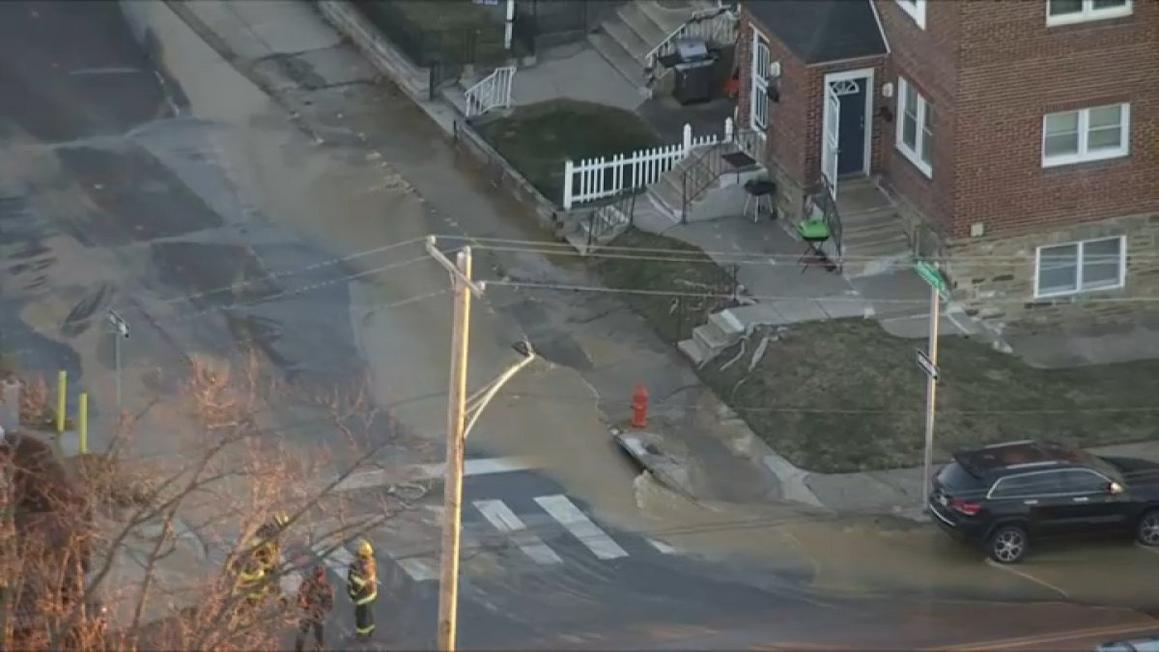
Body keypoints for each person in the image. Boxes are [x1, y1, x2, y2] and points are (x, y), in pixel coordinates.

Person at [295, 566, 334, 652]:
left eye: (320, 575)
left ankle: (318, 649)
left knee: (319, 637)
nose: (318, 577)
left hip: (318, 616)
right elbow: (299, 597)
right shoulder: (307, 584)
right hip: (307, 613)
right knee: (301, 635)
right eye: (317, 575)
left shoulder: (326, 588)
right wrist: (304, 605)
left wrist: (320, 610)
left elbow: (329, 605)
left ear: (323, 575)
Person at [346, 539, 377, 640]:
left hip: (363, 596)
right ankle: (371, 629)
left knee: (360, 616)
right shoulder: (370, 561)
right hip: (370, 593)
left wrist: (352, 595)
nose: (357, 555)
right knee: (368, 612)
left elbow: (357, 584)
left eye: (359, 554)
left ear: (363, 555)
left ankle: (361, 634)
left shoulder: (364, 569)